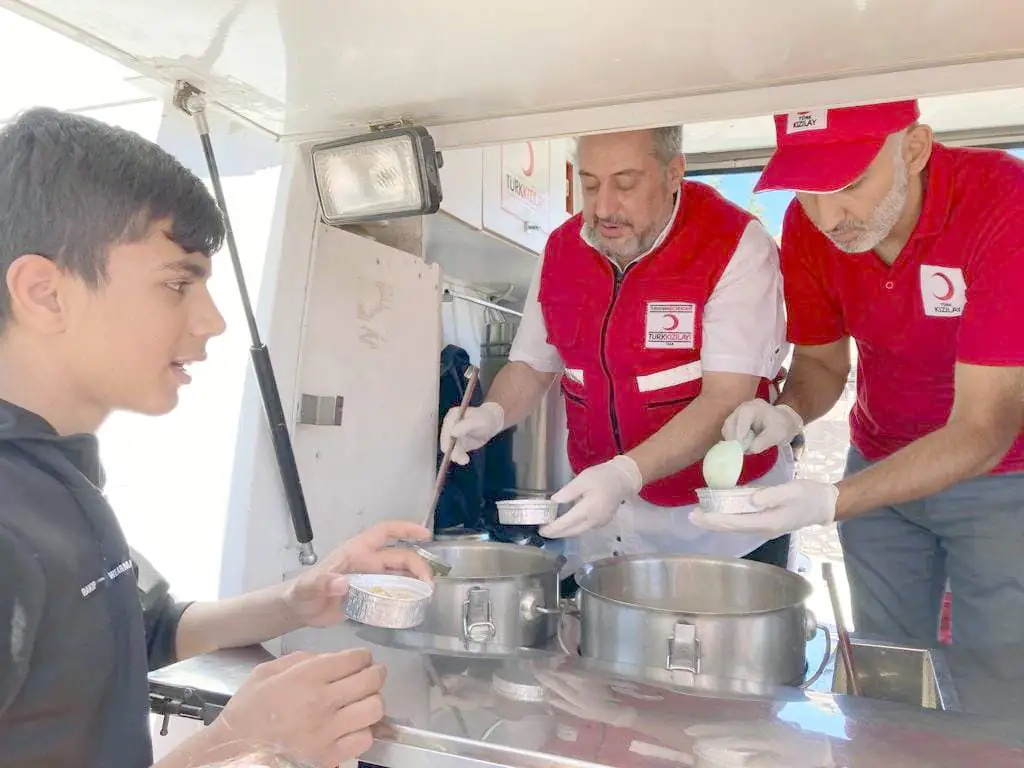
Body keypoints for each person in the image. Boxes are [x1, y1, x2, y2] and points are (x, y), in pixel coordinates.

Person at [0, 106, 432, 768]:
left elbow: (150, 628)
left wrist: (300, 597)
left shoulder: (56, 473)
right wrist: (239, 743)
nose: (214, 321)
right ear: (45, 293)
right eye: (178, 284)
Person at [696, 99, 1024, 648]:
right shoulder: (808, 227)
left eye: (849, 184)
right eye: (806, 188)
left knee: (998, 682)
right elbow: (823, 364)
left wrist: (832, 501)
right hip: (879, 462)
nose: (827, 218)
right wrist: (785, 411)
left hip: (1003, 474)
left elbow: (984, 428)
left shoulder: (1003, 201)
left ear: (913, 149)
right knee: (884, 666)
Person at [441, 126, 793, 577]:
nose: (604, 207)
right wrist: (489, 416)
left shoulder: (733, 242)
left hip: (721, 532)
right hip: (607, 528)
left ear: (673, 174)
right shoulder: (562, 250)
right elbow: (531, 365)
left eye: (626, 184)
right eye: (589, 184)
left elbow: (726, 396)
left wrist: (624, 473)